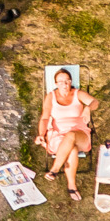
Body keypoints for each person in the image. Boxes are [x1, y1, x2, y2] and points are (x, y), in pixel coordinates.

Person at [34, 69, 96, 202]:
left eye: (67, 80)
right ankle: (72, 186)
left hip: (79, 134)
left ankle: (55, 169)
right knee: (71, 149)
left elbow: (94, 102)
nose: (65, 83)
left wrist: (87, 108)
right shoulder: (51, 97)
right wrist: (41, 134)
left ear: (71, 81)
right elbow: (45, 118)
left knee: (71, 135)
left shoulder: (77, 94)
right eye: (61, 81)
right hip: (58, 136)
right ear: (56, 83)